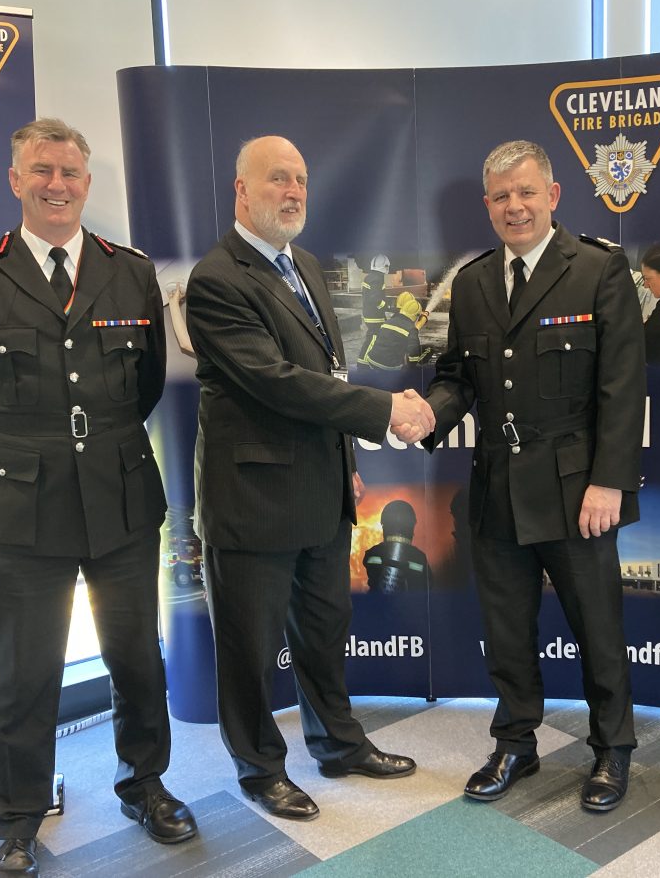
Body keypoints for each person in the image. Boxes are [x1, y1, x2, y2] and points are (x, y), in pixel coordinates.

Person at [0, 118, 196, 878]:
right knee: (22, 669)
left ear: (86, 182)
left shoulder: (129, 271)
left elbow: (140, 387)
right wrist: (19, 451)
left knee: (137, 656)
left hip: (121, 496)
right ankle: (13, 819)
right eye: (41, 170)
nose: (56, 185)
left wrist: (90, 446)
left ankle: (146, 785)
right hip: (21, 504)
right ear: (15, 180)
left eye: (70, 172)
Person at [184, 135, 430, 822]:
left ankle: (337, 744)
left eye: (300, 179)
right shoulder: (217, 279)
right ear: (241, 190)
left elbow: (327, 378)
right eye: (276, 180)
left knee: (324, 632)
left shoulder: (308, 267)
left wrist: (347, 463)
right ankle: (260, 769)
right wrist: (386, 411)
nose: (292, 192)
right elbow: (275, 383)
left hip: (322, 492)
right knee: (251, 648)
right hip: (253, 501)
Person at [421, 140, 645, 812]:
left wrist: (609, 480)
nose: (513, 206)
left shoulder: (599, 271)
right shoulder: (473, 282)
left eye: (525, 192)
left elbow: (622, 387)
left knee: (597, 629)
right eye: (499, 196)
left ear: (552, 196)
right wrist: (422, 414)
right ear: (487, 206)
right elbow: (458, 379)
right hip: (496, 482)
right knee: (508, 629)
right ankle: (516, 741)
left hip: (578, 489)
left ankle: (612, 750)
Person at [363, 499, 431, 593]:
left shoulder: (373, 552)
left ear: (384, 525)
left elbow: (370, 566)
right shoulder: (419, 557)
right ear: (411, 526)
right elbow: (429, 584)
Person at [357, 290, 430, 369]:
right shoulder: (411, 329)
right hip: (390, 367)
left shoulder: (388, 322)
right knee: (428, 349)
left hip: (372, 362)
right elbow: (413, 352)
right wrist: (409, 369)